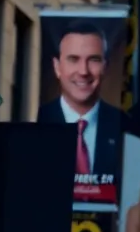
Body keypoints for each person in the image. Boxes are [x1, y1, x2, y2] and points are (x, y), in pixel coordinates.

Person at [36, 21, 122, 192]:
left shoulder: (124, 127)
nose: (83, 71)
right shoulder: (35, 122)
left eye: (93, 60)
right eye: (73, 59)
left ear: (105, 67)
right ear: (57, 67)